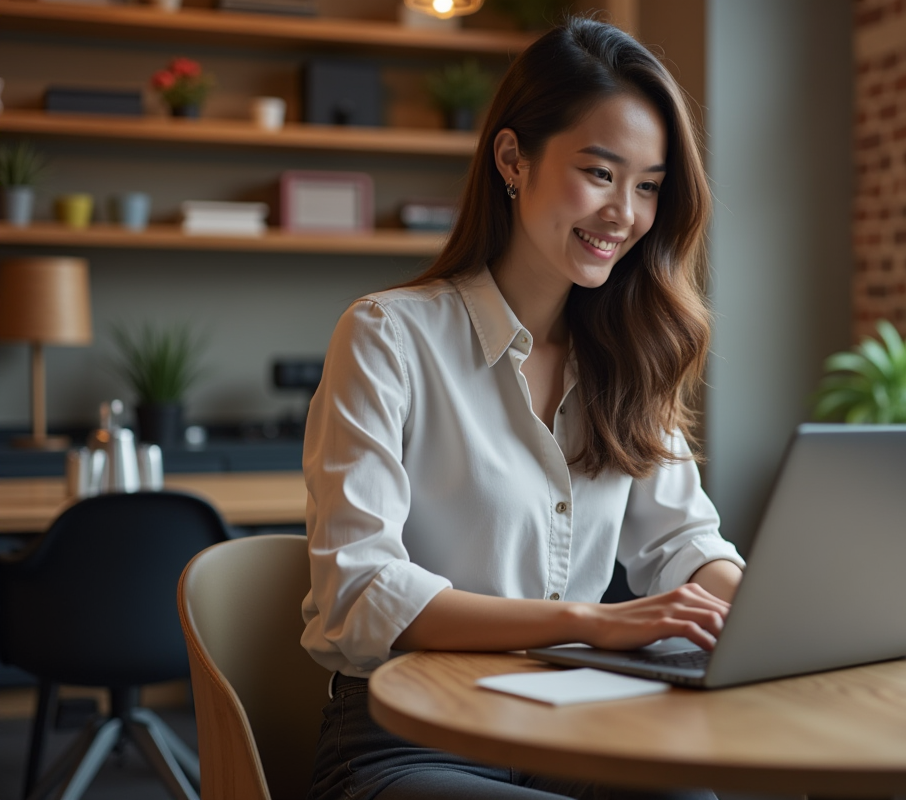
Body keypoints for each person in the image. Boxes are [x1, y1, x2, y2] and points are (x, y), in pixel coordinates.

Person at [302, 16, 745, 800]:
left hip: (569, 723)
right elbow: (360, 593)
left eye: (648, 186)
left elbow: (683, 543)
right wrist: (590, 623)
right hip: (411, 735)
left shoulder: (629, 355)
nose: (625, 213)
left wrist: (773, 617)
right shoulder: (387, 336)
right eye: (600, 173)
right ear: (513, 159)